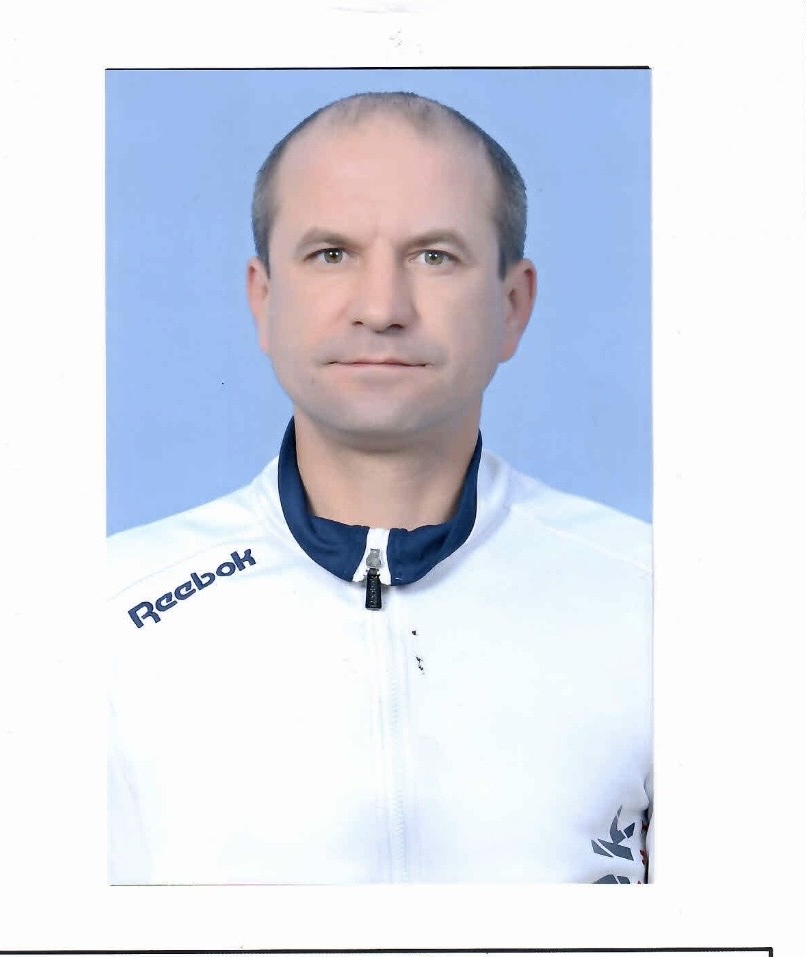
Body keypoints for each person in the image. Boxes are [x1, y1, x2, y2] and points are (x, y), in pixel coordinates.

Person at [108, 91, 651, 886]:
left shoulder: (660, 605)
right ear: (263, 300)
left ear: (511, 306)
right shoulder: (99, 621)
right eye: (331, 254)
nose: (381, 308)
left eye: (434, 256)